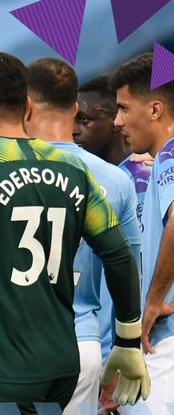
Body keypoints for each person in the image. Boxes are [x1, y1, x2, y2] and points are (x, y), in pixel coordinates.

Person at [0, 52, 148, 415]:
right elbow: (120, 256)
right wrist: (127, 340)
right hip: (62, 362)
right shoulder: (70, 165)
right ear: (27, 106)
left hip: (0, 361)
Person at [23, 58, 141, 415]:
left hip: (15, 346)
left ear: (25, 106)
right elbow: (127, 269)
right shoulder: (117, 180)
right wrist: (125, 347)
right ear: (74, 108)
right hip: (83, 343)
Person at [111, 52, 174, 415]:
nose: (118, 121)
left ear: (154, 109)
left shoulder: (168, 157)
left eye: (123, 108)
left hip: (165, 341)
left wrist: (153, 300)